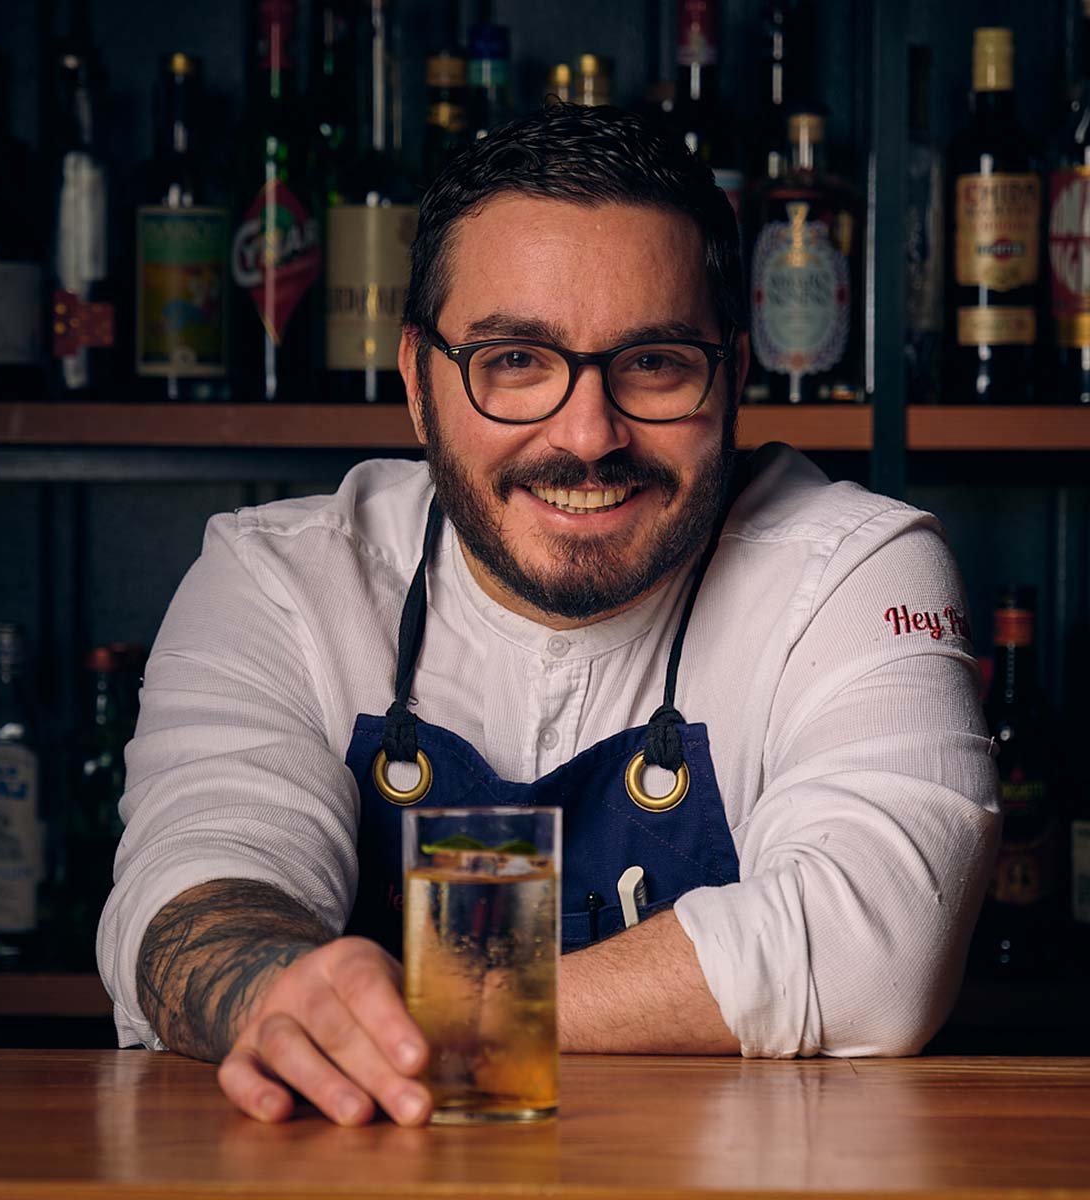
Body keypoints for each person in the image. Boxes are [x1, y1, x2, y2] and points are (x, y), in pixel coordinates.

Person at [98, 103, 1000, 1127]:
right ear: (418, 382)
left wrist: (421, 1015)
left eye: (655, 362)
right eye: (515, 361)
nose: (587, 434)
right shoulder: (278, 580)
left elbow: (878, 950)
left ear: (737, 377)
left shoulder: (853, 569)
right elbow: (193, 900)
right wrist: (263, 988)